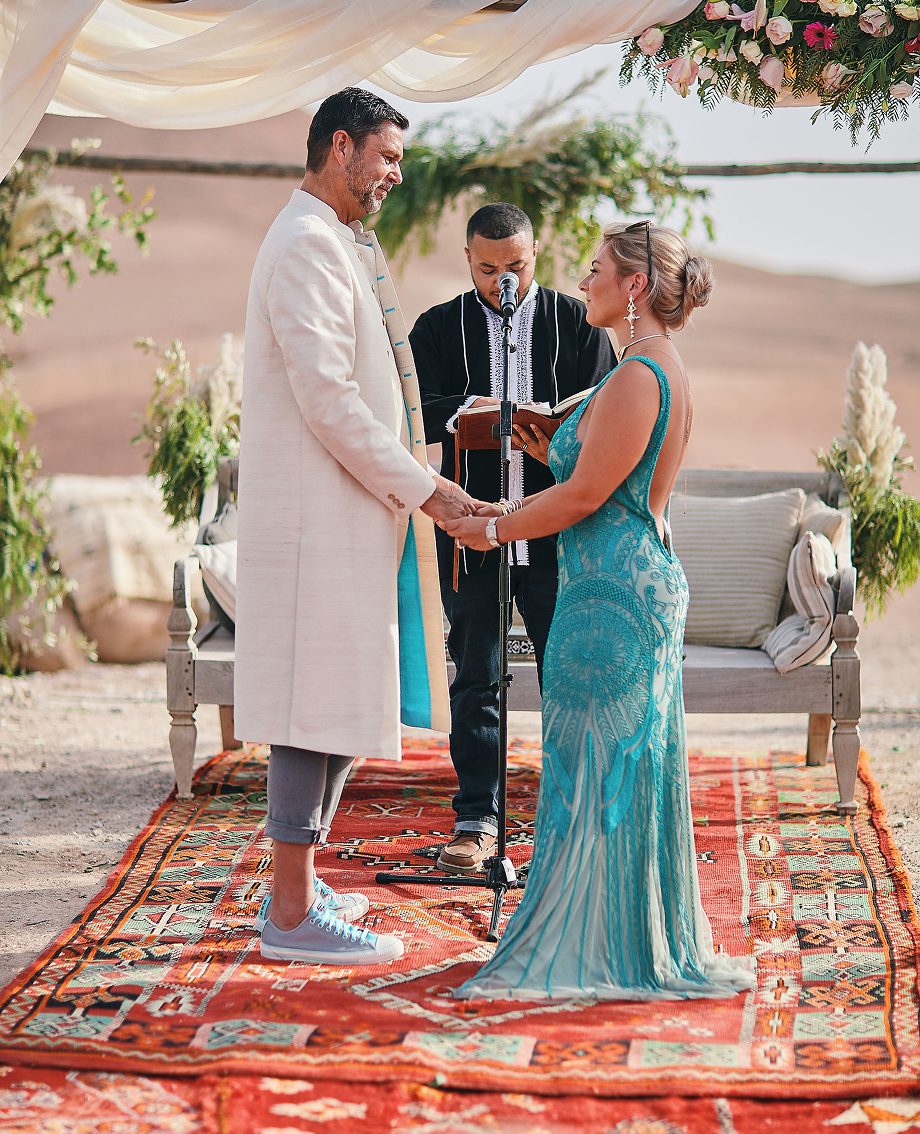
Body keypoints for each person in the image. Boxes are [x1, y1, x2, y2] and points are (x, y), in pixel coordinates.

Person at [442, 222, 756, 999]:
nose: (583, 284)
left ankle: (600, 944)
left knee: (599, 768)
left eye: (595, 272)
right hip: (616, 584)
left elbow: (586, 498)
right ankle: (619, 931)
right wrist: (545, 443)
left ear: (635, 288)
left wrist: (488, 527)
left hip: (613, 596)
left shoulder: (641, 376)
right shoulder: (644, 370)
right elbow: (601, 474)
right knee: (612, 765)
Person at [234, 88, 477, 967]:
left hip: (344, 517)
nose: (393, 177)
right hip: (314, 521)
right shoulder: (304, 244)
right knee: (312, 705)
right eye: (386, 158)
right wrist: (429, 492)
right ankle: (291, 918)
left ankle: (294, 890)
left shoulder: (334, 242)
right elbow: (329, 400)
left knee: (335, 699)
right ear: (341, 147)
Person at [411, 202, 617, 874]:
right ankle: (477, 822)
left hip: (558, 531)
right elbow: (410, 409)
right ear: (467, 260)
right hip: (470, 531)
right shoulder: (437, 328)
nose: (504, 280)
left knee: (570, 673)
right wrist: (472, 411)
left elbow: (607, 408)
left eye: (517, 267)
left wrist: (555, 431)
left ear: (539, 253)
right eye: (489, 268)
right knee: (475, 676)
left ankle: (576, 817)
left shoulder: (576, 323)